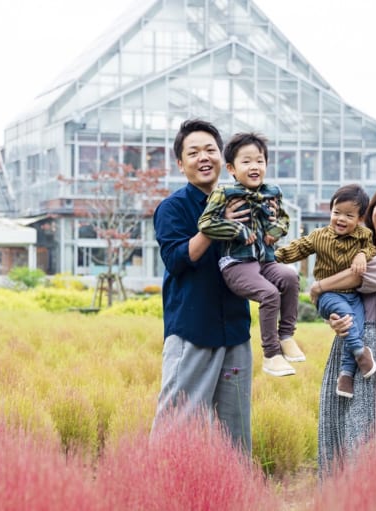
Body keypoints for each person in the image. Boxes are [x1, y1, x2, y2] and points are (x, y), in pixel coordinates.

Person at [151, 119, 253, 453]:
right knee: (178, 425)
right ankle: (160, 495)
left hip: (236, 331)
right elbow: (178, 260)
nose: (203, 157)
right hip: (193, 331)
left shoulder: (240, 202)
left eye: (210, 149)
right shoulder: (173, 208)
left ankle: (234, 498)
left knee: (235, 434)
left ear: (223, 160)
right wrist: (215, 226)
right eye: (193, 152)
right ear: (181, 164)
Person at [309, 180, 376, 478]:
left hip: (375, 344)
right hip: (348, 340)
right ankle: (335, 497)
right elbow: (342, 294)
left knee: (362, 426)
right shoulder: (360, 245)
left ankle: (364, 496)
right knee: (335, 420)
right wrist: (332, 315)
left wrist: (318, 286)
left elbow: (363, 279)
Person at [197, 132, 304, 377]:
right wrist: (237, 229)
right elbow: (205, 223)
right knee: (269, 294)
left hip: (264, 260)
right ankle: (271, 354)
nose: (254, 166)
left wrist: (275, 230)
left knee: (289, 277)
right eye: (246, 162)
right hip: (236, 263)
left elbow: (284, 219)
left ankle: (286, 336)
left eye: (259, 161)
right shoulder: (224, 194)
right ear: (232, 168)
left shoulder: (272, 192)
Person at [275, 184, 376, 397]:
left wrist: (362, 255)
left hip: (353, 296)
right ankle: (360, 353)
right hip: (328, 295)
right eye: (336, 212)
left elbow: (371, 249)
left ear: (359, 219)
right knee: (349, 321)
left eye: (349, 215)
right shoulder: (319, 236)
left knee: (355, 329)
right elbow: (298, 248)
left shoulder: (364, 235)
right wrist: (273, 256)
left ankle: (345, 376)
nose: (341, 219)